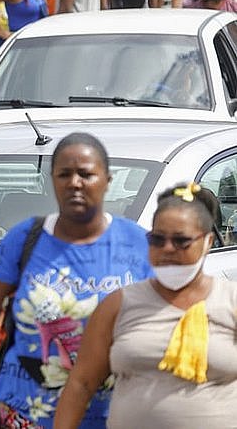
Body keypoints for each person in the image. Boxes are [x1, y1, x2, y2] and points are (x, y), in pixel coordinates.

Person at [0, 133, 152, 429]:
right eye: (64, 174)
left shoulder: (138, 243)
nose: (74, 183)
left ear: (107, 179)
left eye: (86, 174)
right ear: (51, 179)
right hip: (25, 413)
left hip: (113, 417)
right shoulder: (24, 239)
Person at [54, 183, 237, 429]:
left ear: (207, 241)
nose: (167, 249)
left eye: (181, 241)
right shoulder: (118, 304)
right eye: (157, 239)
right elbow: (82, 383)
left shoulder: (231, 301)